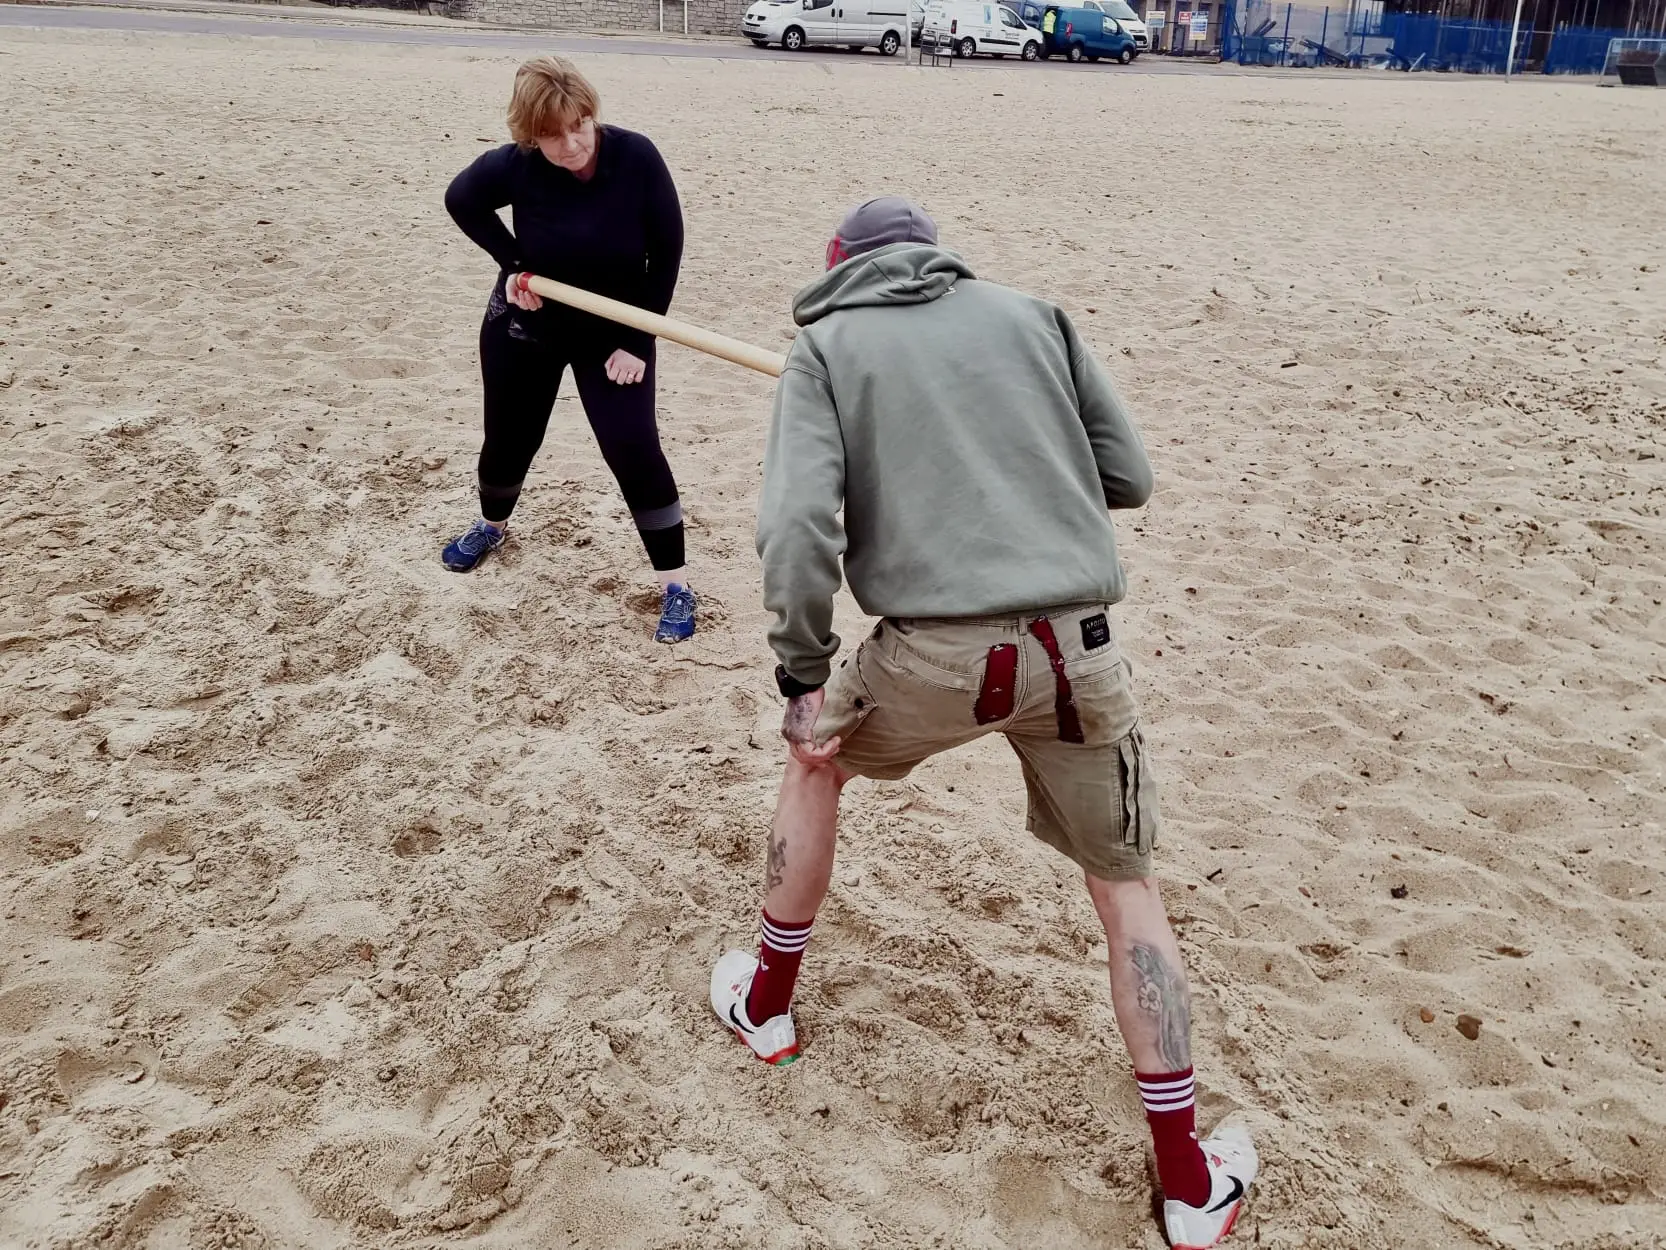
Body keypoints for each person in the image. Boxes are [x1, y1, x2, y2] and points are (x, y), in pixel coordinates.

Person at [708, 198, 1258, 1248]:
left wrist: (803, 672)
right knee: (1127, 889)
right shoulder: (1033, 316)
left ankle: (766, 1004)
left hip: (934, 654)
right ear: (935, 256)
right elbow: (1128, 477)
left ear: (839, 265)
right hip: (1078, 652)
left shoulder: (825, 348)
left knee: (815, 761)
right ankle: (1190, 1186)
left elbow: (794, 529)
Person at [442, 56, 696, 644]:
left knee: (632, 446)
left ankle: (676, 585)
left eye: (579, 125)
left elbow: (667, 251)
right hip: (529, 319)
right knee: (509, 436)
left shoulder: (636, 157)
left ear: (590, 113)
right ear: (530, 135)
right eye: (552, 135)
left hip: (614, 329)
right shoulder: (517, 164)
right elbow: (461, 199)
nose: (572, 144)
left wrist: (638, 340)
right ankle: (491, 526)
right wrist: (515, 264)